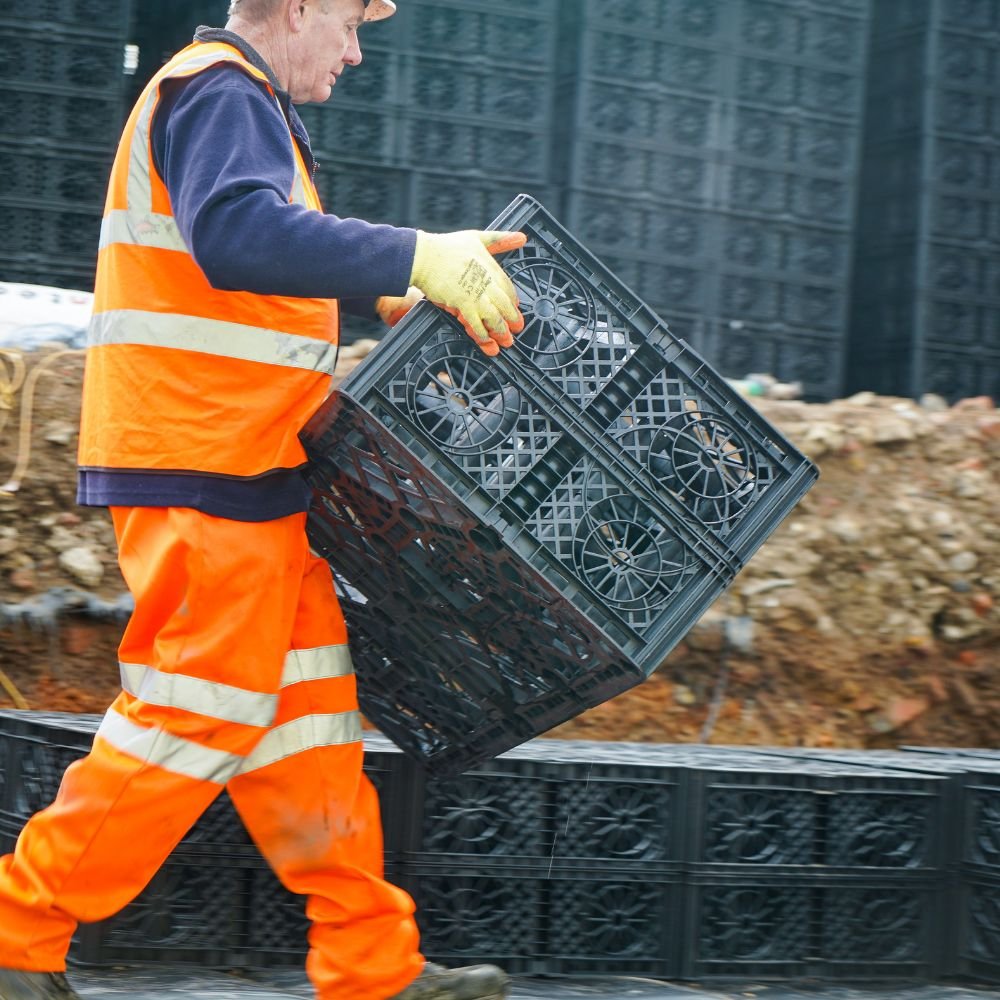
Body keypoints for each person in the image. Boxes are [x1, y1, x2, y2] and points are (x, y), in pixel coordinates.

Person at [0, 1, 525, 997]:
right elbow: (235, 234)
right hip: (207, 470)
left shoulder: (238, 103)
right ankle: (14, 932)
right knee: (192, 713)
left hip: (252, 474)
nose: (355, 50)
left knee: (308, 724)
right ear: (295, 6)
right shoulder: (220, 89)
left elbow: (263, 259)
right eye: (349, 22)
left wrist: (382, 287)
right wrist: (410, 253)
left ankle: (370, 966)